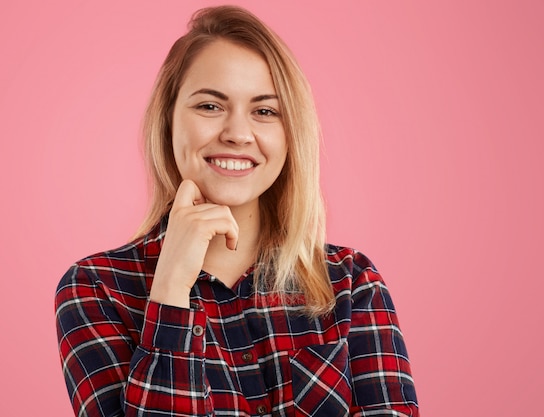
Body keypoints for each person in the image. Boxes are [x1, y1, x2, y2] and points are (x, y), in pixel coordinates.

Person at [55, 5, 419, 417]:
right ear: (168, 121)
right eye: (210, 106)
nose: (238, 134)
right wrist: (171, 290)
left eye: (265, 111)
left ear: (290, 134)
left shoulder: (351, 283)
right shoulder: (95, 290)